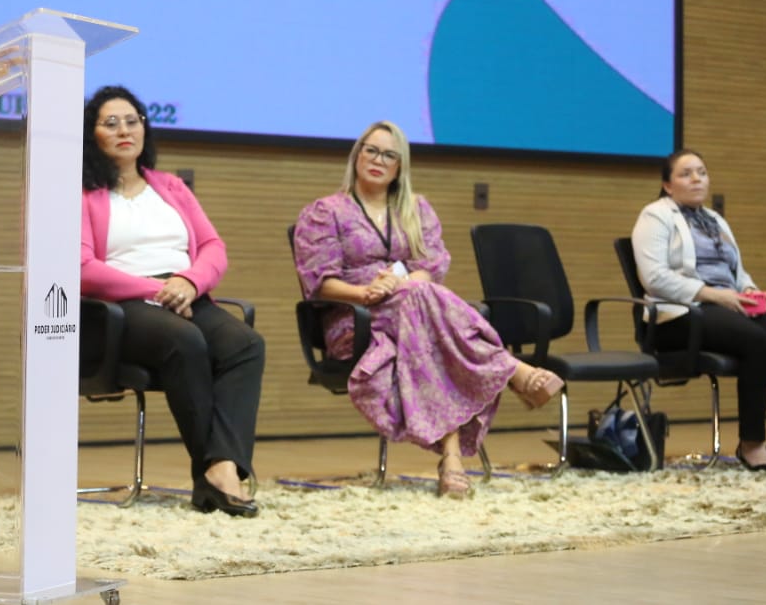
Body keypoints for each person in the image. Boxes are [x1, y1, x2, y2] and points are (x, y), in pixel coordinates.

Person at [292, 121, 563, 497]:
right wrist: (367, 292)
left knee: (425, 319)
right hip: (355, 320)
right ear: (357, 155)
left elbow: (431, 265)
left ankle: (452, 460)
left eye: (390, 154)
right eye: (371, 150)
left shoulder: (416, 209)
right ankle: (512, 369)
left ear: (400, 167)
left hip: (415, 312)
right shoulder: (325, 212)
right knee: (435, 322)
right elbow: (319, 282)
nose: (378, 159)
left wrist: (404, 284)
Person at [80, 85, 266, 517]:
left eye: (133, 120)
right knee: (186, 341)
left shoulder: (171, 186)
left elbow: (213, 247)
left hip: (185, 294)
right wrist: (156, 290)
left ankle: (217, 470)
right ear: (92, 135)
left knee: (245, 345)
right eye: (111, 123)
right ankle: (219, 473)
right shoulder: (84, 193)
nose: (125, 129)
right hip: (124, 308)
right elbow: (83, 266)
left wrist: (188, 282)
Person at [631, 149, 766, 471]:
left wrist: (749, 290)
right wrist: (713, 295)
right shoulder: (655, 216)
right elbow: (654, 278)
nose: (697, 178)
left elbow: (736, 272)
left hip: (726, 306)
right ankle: (752, 443)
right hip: (680, 314)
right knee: (757, 341)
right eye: (686, 173)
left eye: (702, 172)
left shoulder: (715, 219)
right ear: (668, 185)